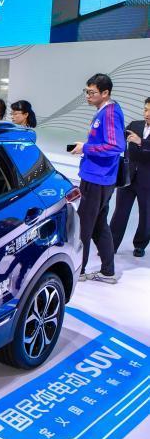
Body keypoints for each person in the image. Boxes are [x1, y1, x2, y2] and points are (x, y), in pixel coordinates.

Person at [71, 73, 126, 283]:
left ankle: (80, 270)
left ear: (105, 93)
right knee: (99, 225)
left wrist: (85, 148)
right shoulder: (105, 111)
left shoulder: (110, 113)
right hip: (99, 177)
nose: (88, 96)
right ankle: (107, 271)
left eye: (92, 92)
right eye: (86, 91)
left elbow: (116, 146)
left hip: (97, 178)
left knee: (85, 225)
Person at [111, 96, 150, 257]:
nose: (147, 114)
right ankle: (111, 245)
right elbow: (118, 137)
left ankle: (140, 245)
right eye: (146, 109)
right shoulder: (135, 125)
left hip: (147, 181)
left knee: (146, 215)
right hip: (128, 177)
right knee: (120, 212)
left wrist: (141, 142)